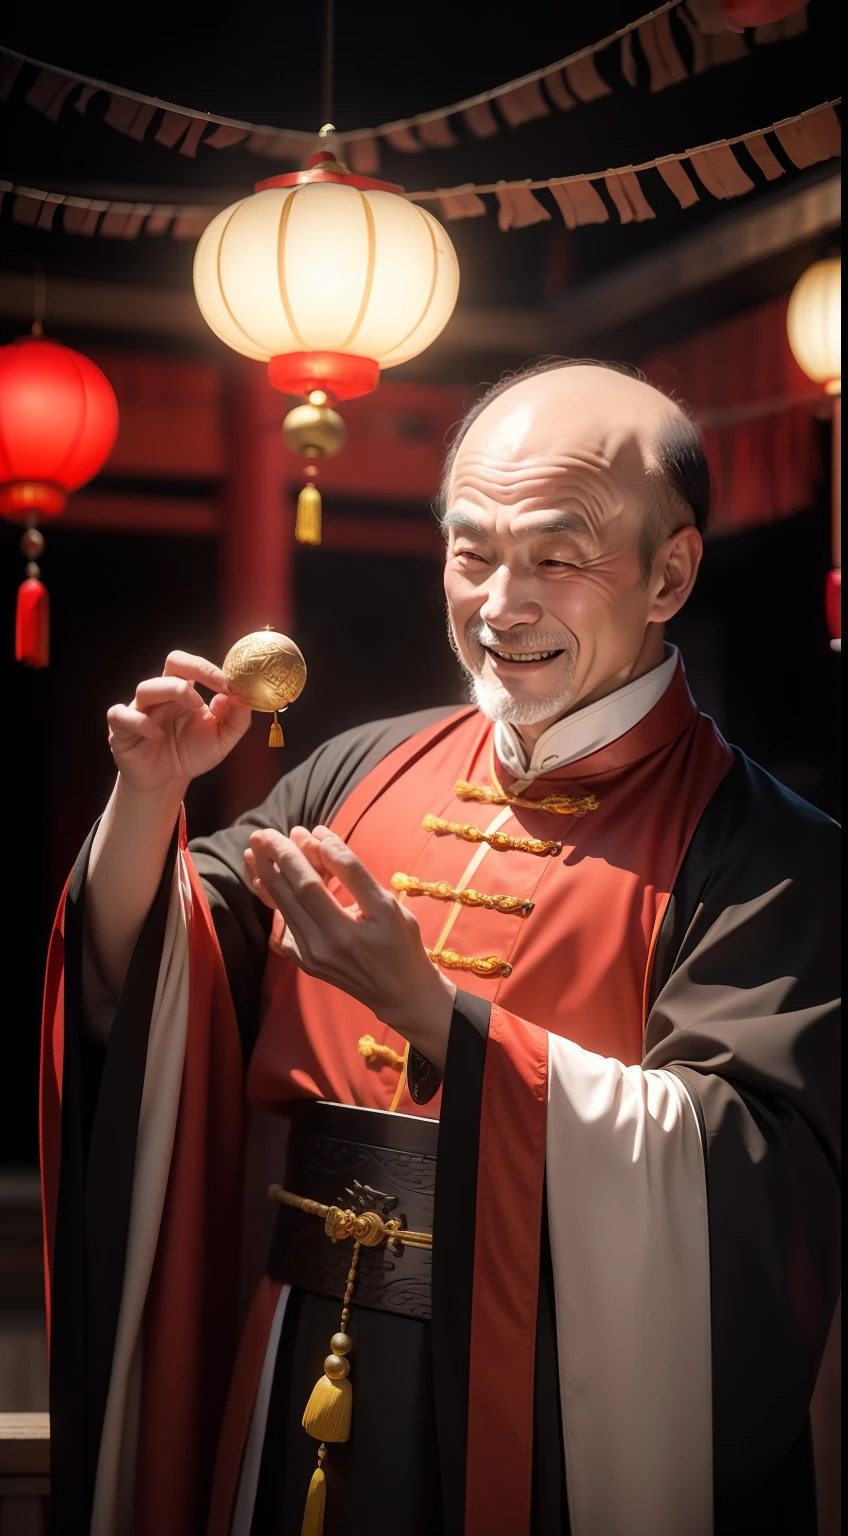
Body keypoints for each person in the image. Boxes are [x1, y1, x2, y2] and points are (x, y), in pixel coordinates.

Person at [41, 361, 839, 1536]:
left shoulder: (768, 851)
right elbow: (155, 974)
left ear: (668, 574)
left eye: (556, 557)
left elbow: (751, 1180)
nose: (499, 603)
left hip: (543, 1393)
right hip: (294, 1338)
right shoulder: (358, 768)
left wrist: (435, 1019)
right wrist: (148, 803)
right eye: (471, 553)